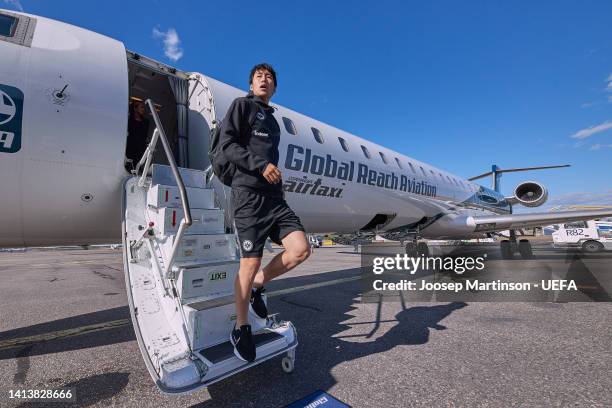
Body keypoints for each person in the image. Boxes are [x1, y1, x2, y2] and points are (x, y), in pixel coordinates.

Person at [218, 63, 311, 362]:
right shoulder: (242, 106)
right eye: (259, 76)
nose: (264, 80)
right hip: (248, 196)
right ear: (250, 84)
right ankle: (241, 327)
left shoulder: (273, 121)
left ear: (274, 88)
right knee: (249, 262)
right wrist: (260, 166)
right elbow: (227, 144)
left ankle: (259, 285)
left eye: (269, 78)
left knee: (300, 249)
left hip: (274, 198)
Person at [126, 100, 150, 167]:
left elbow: (145, 135)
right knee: (130, 165)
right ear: (135, 109)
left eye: (143, 108)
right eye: (141, 107)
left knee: (139, 166)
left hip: (141, 148)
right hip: (130, 147)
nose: (143, 109)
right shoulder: (129, 120)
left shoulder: (146, 122)